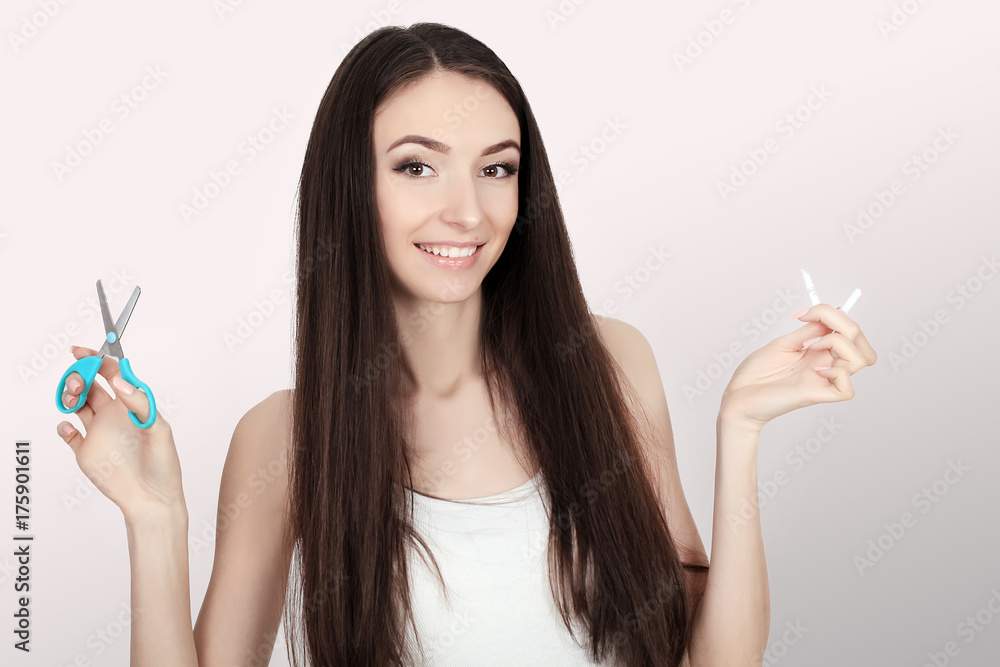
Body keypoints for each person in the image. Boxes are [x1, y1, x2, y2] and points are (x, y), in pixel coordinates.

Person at [54, 22, 876, 667]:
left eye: (497, 168)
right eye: (418, 167)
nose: (469, 212)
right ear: (351, 188)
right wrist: (153, 517)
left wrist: (740, 430)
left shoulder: (609, 363)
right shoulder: (285, 440)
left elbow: (718, 657)